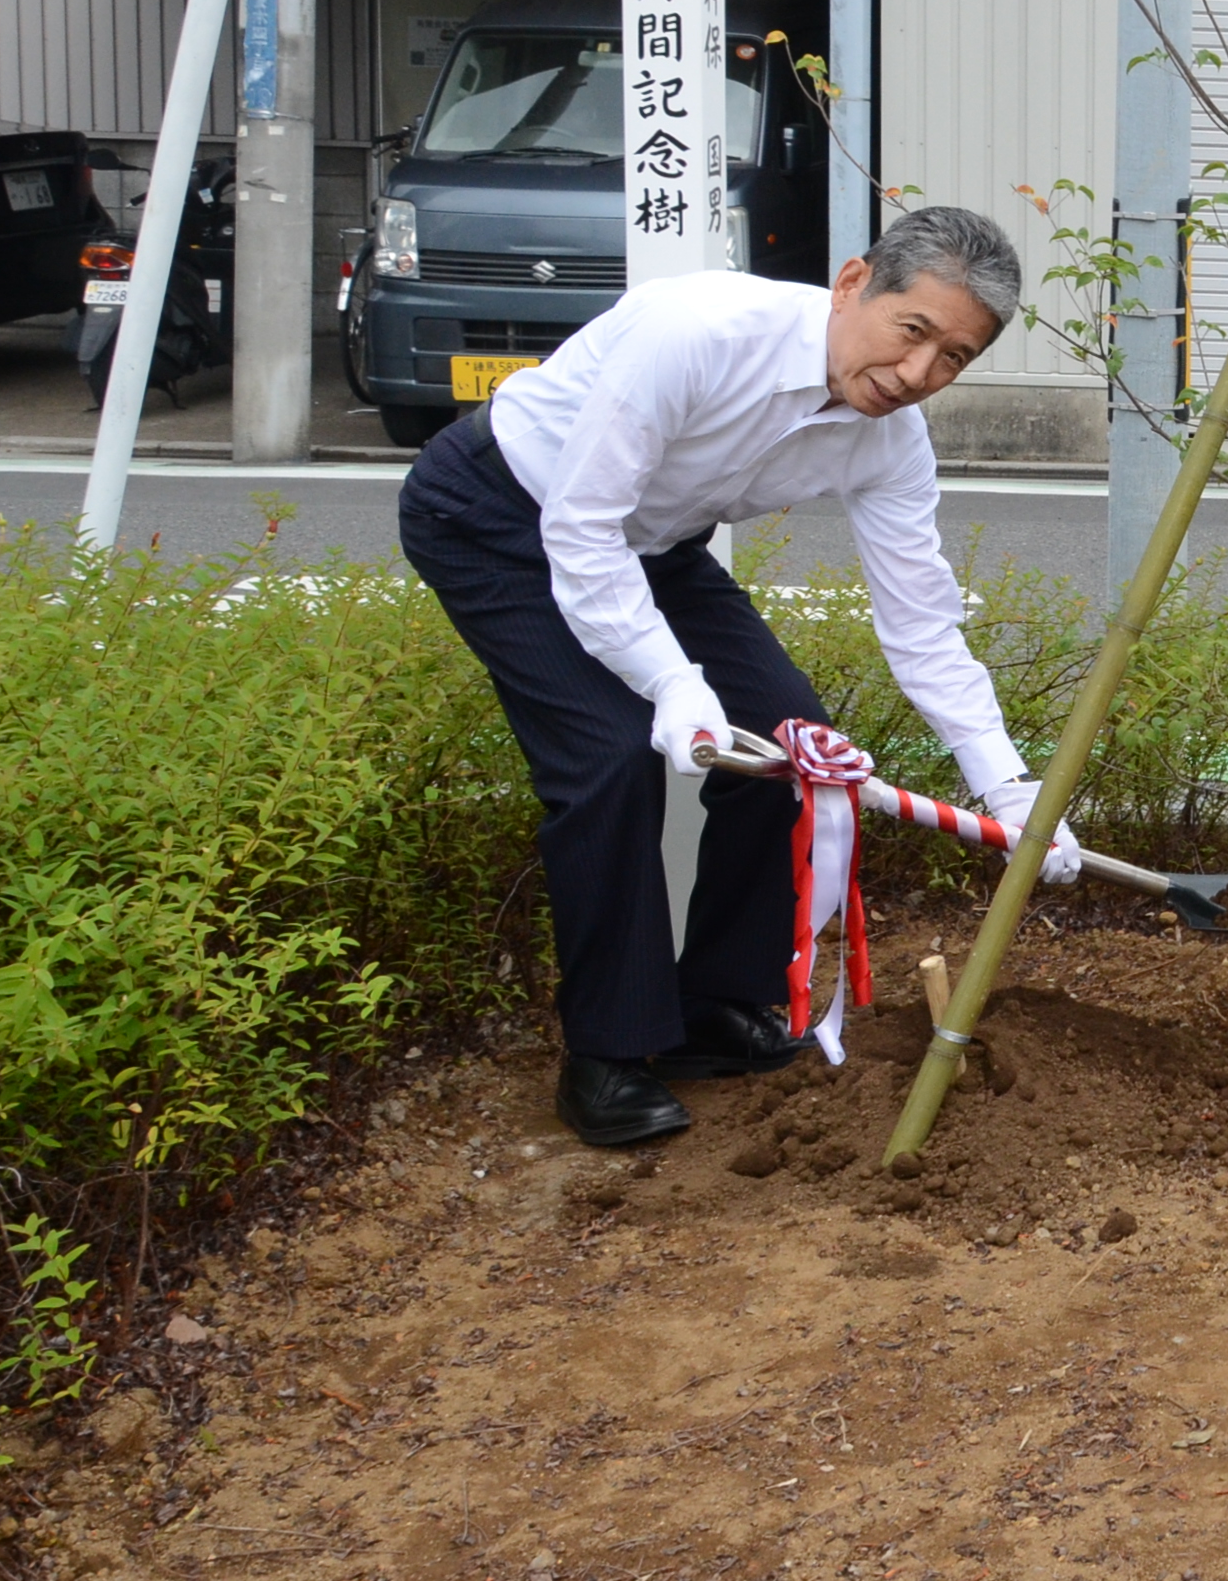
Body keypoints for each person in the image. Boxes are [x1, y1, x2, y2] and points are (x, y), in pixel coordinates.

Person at [399, 206, 1083, 1152]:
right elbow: (579, 530)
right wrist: (671, 683)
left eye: (955, 359)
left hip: (654, 546)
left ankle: (712, 1008)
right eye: (912, 331)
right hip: (502, 516)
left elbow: (922, 626)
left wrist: (1008, 786)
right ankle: (605, 1055)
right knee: (608, 759)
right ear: (853, 284)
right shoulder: (697, 335)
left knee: (793, 743)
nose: (918, 376)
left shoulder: (889, 438)